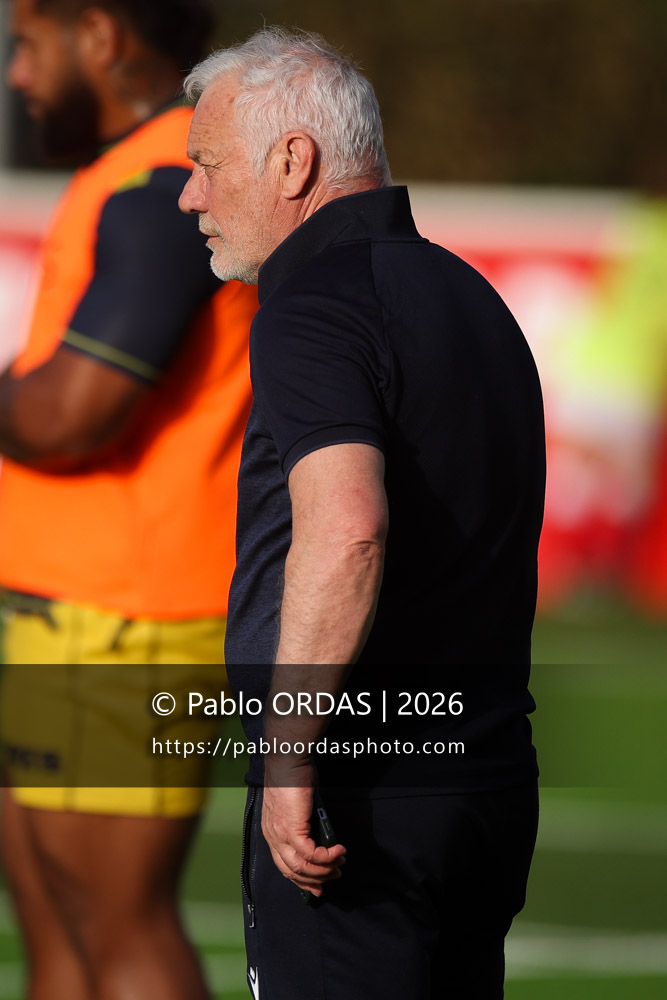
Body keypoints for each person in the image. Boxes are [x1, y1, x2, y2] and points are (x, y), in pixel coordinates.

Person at [179, 26, 545, 1000]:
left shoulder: (314, 306)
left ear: (291, 160)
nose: (192, 196)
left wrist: (291, 752)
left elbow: (347, 529)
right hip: (485, 778)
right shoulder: (470, 297)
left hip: (361, 797)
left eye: (206, 165)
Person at [0, 1, 257, 998]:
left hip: (128, 617)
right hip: (70, 606)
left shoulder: (166, 182)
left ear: (101, 35)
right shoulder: (133, 170)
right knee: (59, 931)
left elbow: (71, 414)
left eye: (27, 44)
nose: (16, 75)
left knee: (119, 929)